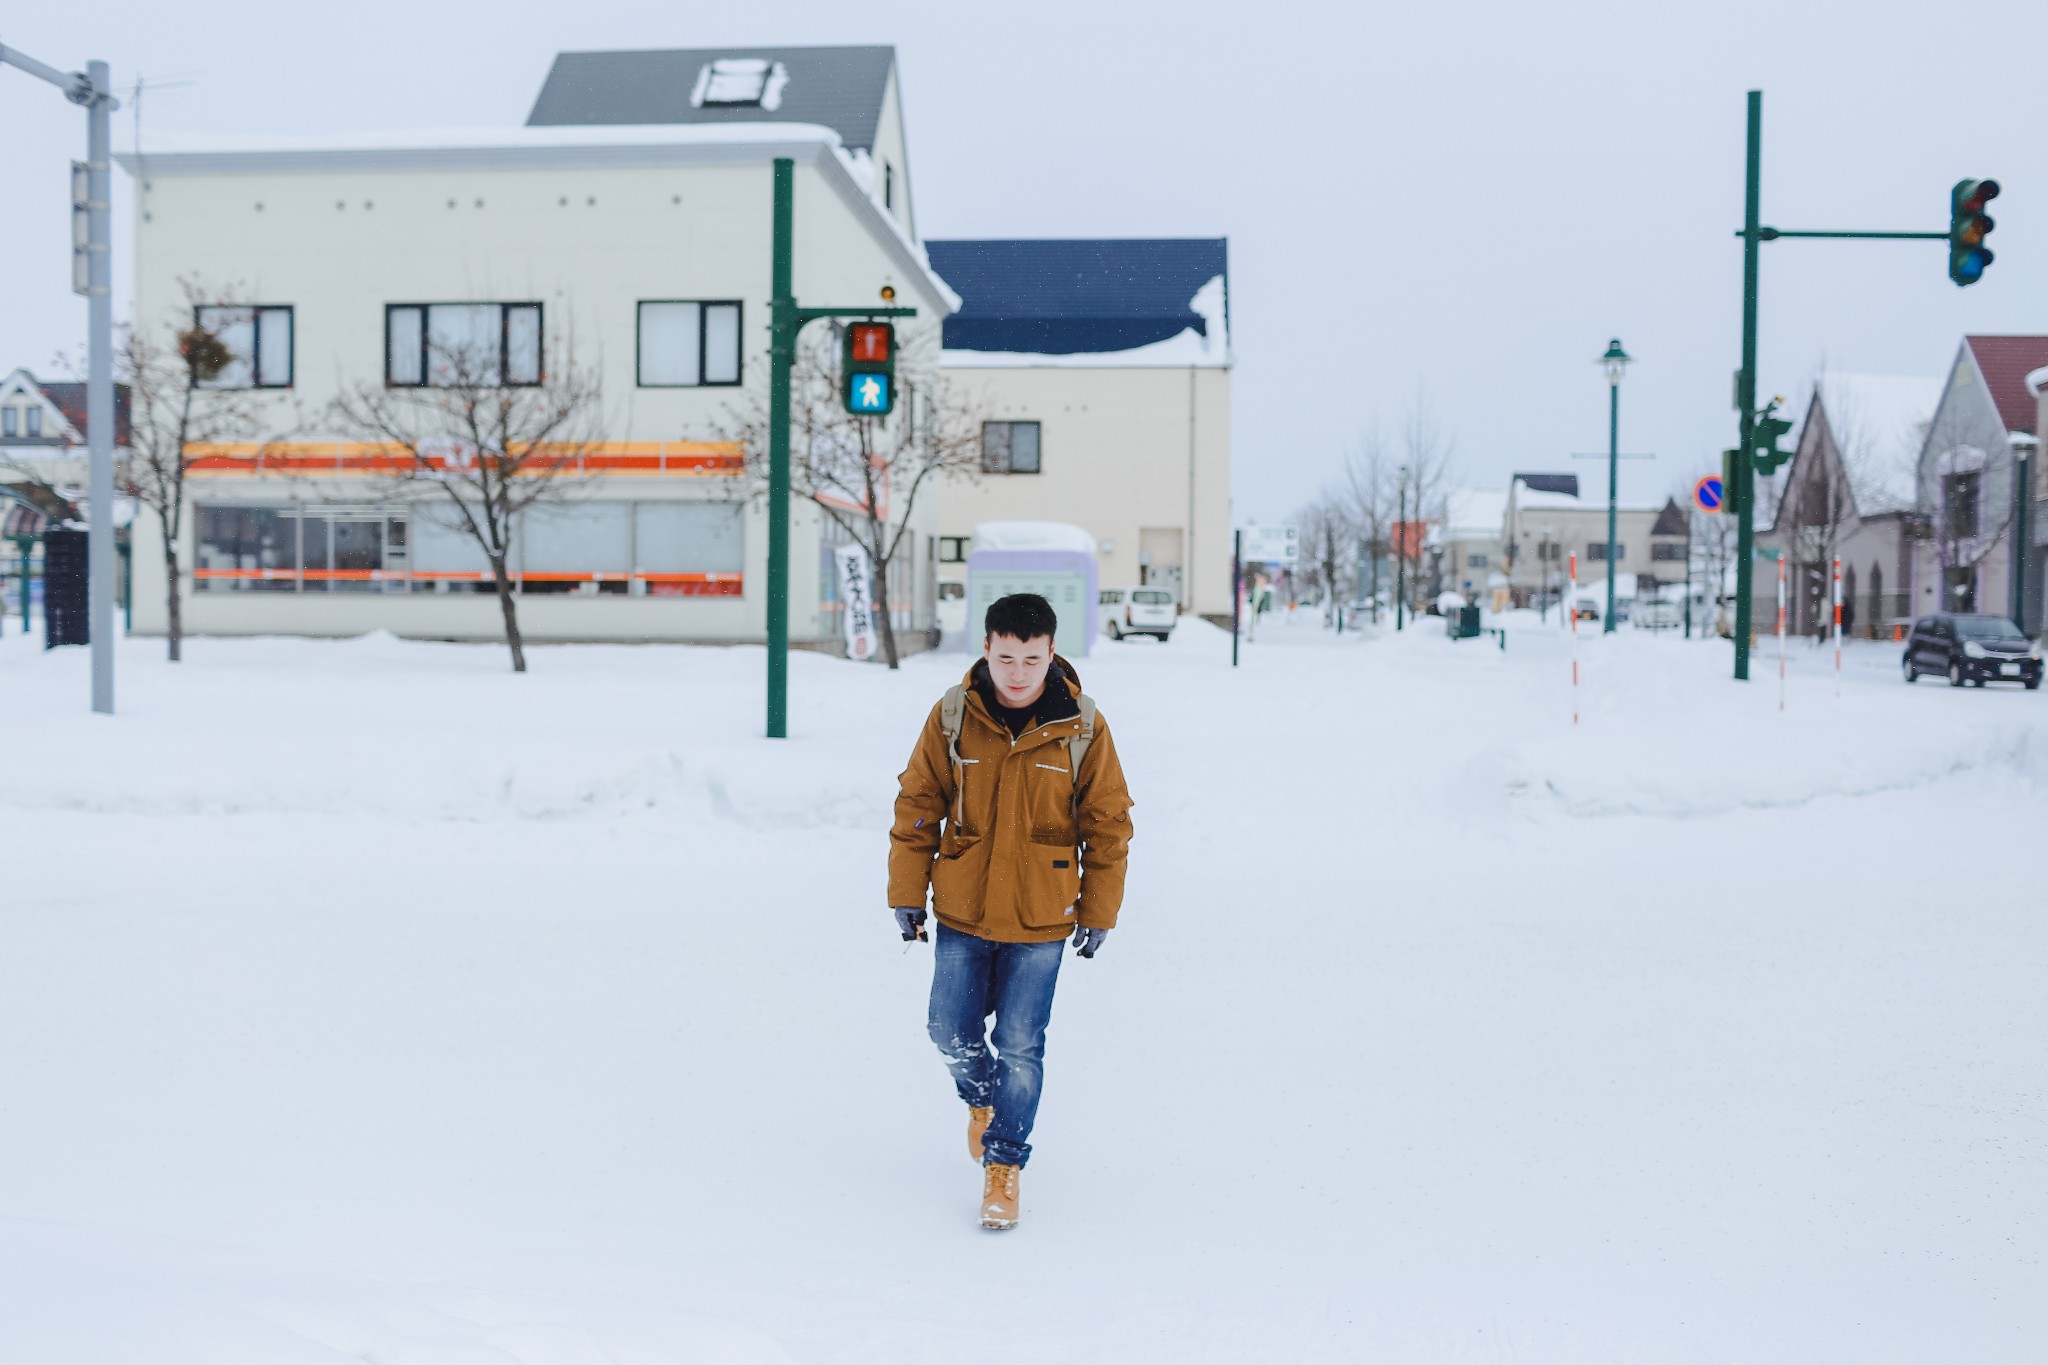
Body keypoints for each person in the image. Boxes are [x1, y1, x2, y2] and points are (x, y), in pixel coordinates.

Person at [888, 592, 1134, 1230]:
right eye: (1004, 658)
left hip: (1042, 917)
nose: (1017, 673)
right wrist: (907, 894)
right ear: (987, 651)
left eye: (1030, 658)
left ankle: (1005, 1164)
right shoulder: (952, 717)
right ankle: (983, 1100)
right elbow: (917, 807)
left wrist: (1099, 910)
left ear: (1051, 653)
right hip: (963, 912)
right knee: (948, 1031)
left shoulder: (1082, 725)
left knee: (1021, 1045)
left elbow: (1107, 826)